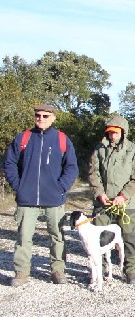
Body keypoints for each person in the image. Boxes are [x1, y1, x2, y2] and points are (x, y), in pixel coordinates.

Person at [4, 104, 79, 286]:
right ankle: (21, 272)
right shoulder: (24, 137)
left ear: (53, 117)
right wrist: (18, 186)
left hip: (54, 199)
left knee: (57, 236)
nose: (41, 119)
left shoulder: (62, 139)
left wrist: (60, 187)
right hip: (27, 198)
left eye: (46, 116)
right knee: (23, 237)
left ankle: (58, 271)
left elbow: (71, 167)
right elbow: (9, 163)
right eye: (38, 115)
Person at [89, 114, 135, 284]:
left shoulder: (134, 150)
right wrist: (99, 193)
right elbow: (93, 173)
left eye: (116, 132)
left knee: (129, 238)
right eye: (110, 132)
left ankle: (131, 270)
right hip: (104, 203)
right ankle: (98, 269)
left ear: (123, 132)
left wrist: (124, 195)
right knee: (100, 237)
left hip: (126, 203)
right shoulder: (99, 149)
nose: (112, 136)